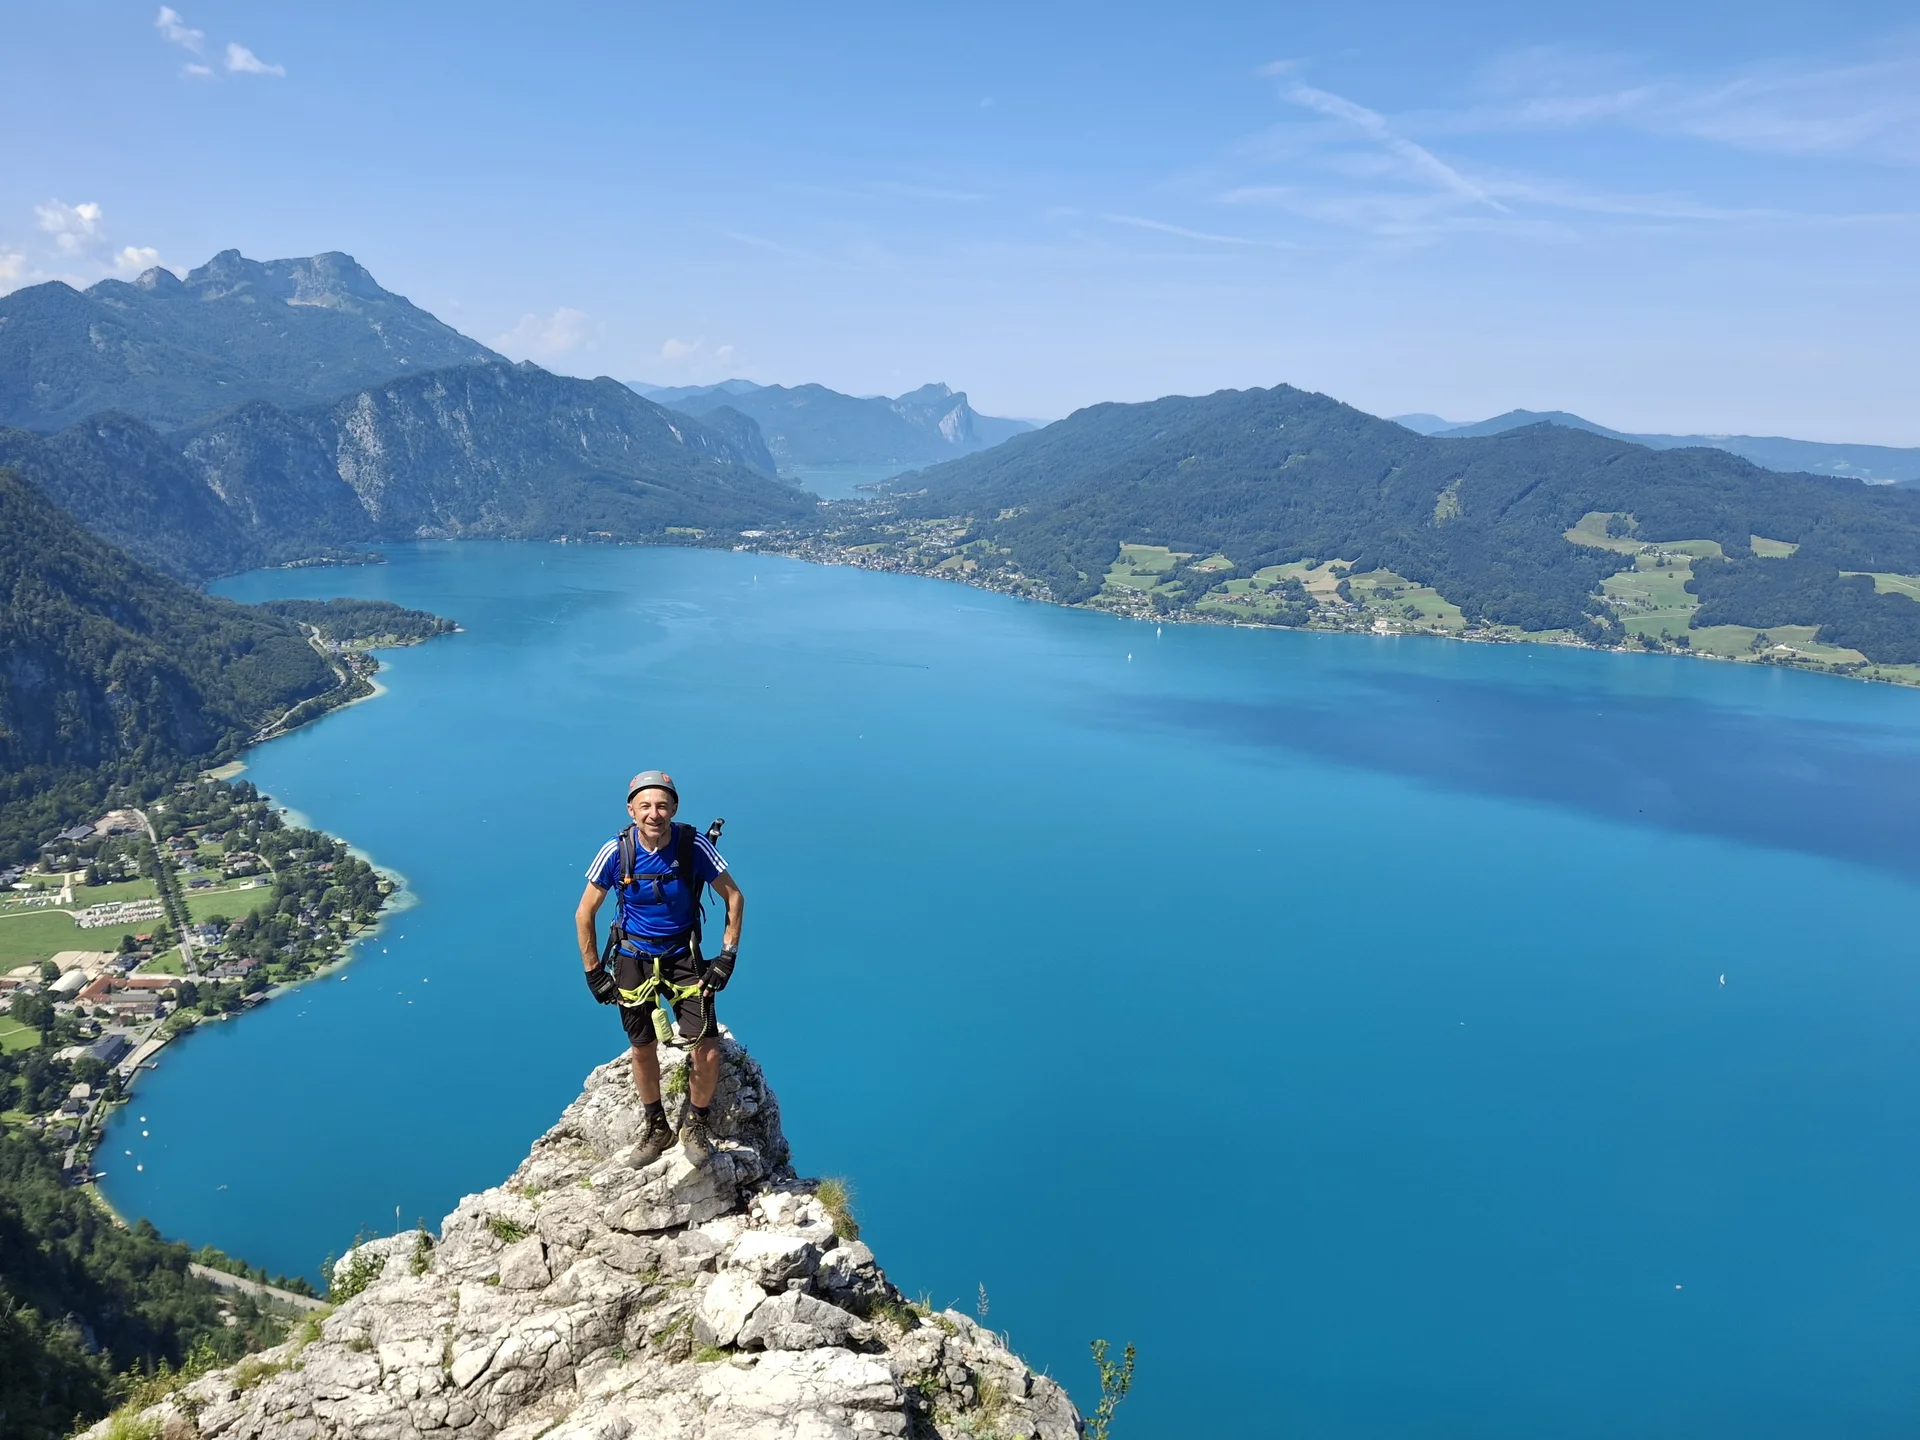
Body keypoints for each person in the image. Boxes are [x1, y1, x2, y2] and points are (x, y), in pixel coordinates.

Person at [575, 771, 744, 1166]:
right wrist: (594, 972)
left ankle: (697, 1126)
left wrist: (726, 957)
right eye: (646, 806)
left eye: (662, 805)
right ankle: (657, 1126)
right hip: (634, 956)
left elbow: (734, 897)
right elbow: (585, 913)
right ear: (631, 810)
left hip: (683, 956)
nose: (654, 814)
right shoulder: (615, 851)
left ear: (675, 808)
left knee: (705, 1045)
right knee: (642, 1046)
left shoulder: (693, 845)